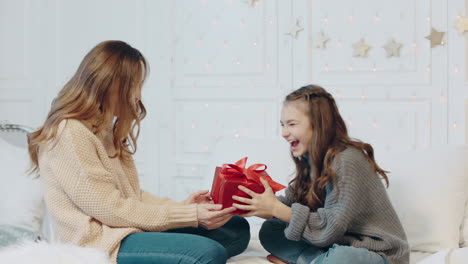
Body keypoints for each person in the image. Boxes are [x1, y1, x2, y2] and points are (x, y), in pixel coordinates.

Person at [28, 40, 250, 264]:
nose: (138, 96)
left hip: (125, 228)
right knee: (209, 253)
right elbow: (111, 209)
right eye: (135, 85)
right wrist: (190, 216)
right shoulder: (70, 132)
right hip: (99, 242)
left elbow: (133, 196)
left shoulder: (103, 128)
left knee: (236, 229)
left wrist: (184, 207)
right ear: (112, 85)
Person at [232, 85, 409, 264]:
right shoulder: (310, 160)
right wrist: (260, 201)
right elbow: (288, 205)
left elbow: (330, 228)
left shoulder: (347, 159)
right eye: (282, 125)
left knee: (342, 257)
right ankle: (315, 261)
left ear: (318, 124)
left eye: (292, 124)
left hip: (375, 252)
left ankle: (310, 260)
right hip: (334, 243)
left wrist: (275, 209)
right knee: (272, 230)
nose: (284, 133)